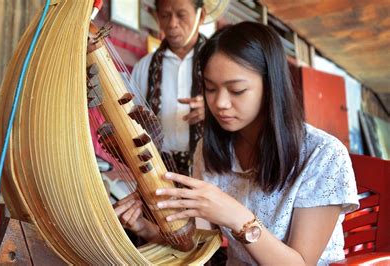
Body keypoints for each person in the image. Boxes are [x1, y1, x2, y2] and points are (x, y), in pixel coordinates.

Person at [115, 22, 359, 265]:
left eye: (237, 90)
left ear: (271, 87)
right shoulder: (210, 150)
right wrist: (144, 228)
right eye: (210, 88)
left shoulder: (323, 155)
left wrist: (236, 216)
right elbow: (200, 243)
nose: (220, 103)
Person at [131, 0, 207, 175]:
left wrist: (213, 111)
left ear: (200, 16)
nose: (172, 24)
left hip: (207, 173)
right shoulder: (145, 67)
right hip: (157, 171)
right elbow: (131, 120)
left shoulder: (217, 62)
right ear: (157, 17)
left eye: (181, 15)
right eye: (165, 16)